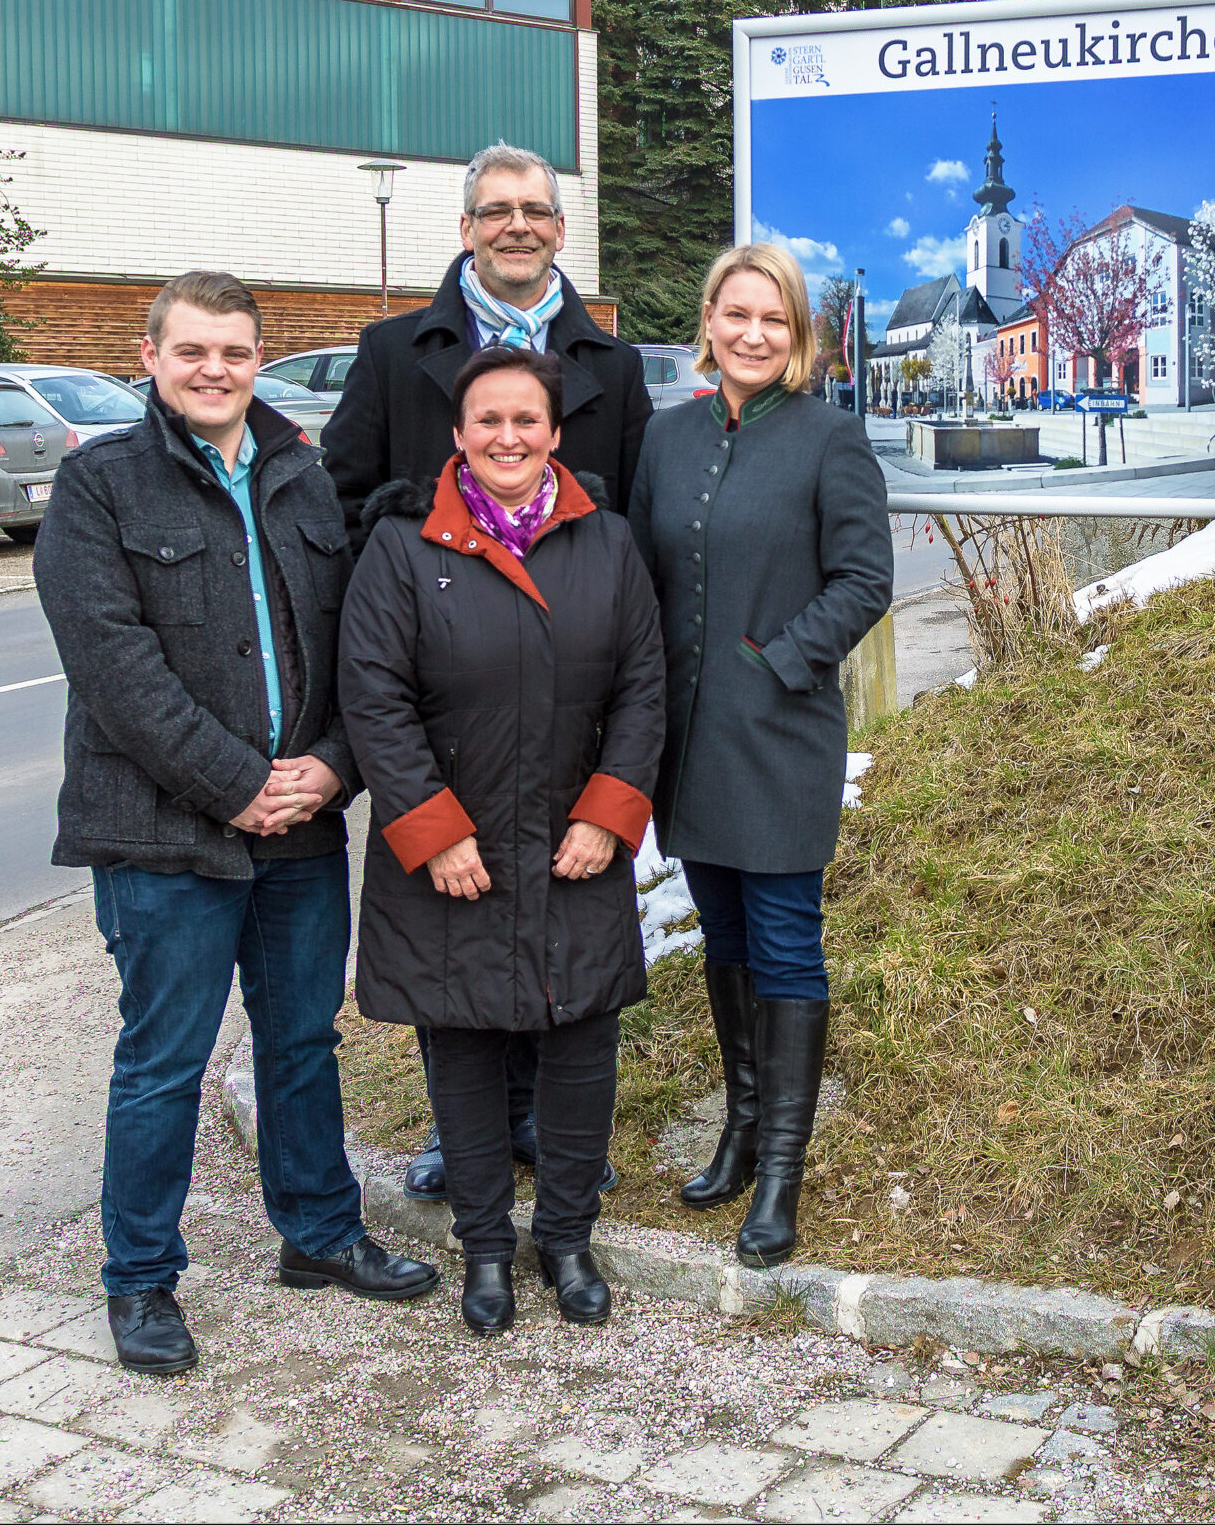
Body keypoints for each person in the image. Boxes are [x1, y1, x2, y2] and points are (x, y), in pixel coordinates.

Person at [36, 271, 438, 1376]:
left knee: (302, 1040)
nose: (214, 369)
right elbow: (115, 667)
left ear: (259, 360)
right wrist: (236, 783)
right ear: (151, 357)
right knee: (163, 1059)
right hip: (165, 833)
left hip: (301, 825)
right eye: (192, 350)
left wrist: (336, 765)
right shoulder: (98, 486)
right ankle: (140, 1278)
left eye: (234, 351)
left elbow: (363, 644)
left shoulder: (305, 478)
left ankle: (320, 1233)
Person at [321, 143, 655, 1203]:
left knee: (559, 910)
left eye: (536, 210)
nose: (518, 225)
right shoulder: (393, 353)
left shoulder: (612, 366)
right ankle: (464, 1129)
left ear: (559, 227)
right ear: (466, 227)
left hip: (566, 692)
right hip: (445, 683)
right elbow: (339, 503)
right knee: (459, 926)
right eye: (496, 209)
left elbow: (635, 528)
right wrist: (399, 577)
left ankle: (548, 1127)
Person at [339, 345, 667, 1334]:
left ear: (555, 432)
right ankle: (485, 1246)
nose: (508, 436)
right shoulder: (403, 547)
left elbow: (644, 684)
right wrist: (433, 830)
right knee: (465, 1049)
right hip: (457, 855)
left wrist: (609, 812)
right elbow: (374, 696)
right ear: (458, 432)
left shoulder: (607, 541)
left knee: (581, 1044)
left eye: (527, 419)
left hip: (575, 844)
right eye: (488, 418)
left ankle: (566, 1237)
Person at [628, 243, 891, 1269]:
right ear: (708, 321)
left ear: (799, 334)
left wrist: (779, 660)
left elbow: (863, 578)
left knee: (784, 942)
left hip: (779, 732)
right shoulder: (668, 437)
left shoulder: (831, 438)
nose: (752, 333)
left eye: (773, 318)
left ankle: (782, 1169)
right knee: (724, 934)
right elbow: (641, 576)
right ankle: (741, 1127)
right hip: (688, 740)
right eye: (736, 314)